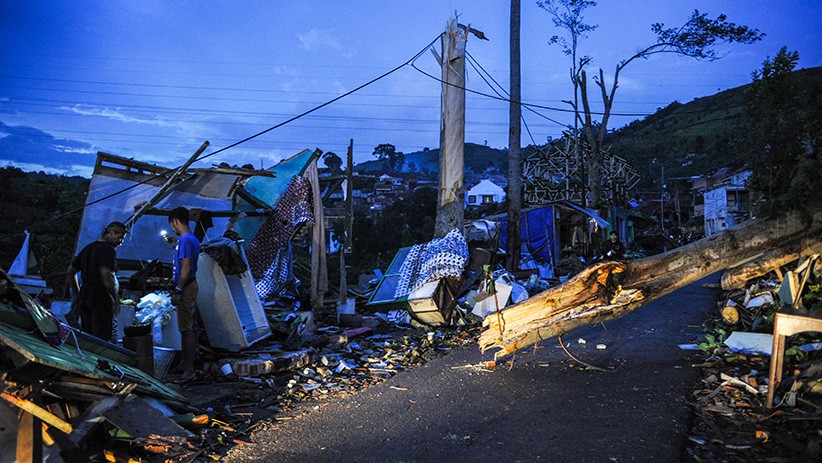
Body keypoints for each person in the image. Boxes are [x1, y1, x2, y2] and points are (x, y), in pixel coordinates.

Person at [67, 221, 127, 341]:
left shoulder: (89, 248)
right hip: (101, 299)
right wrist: (114, 298)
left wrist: (78, 294)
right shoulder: (108, 250)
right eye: (120, 238)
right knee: (101, 340)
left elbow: (70, 271)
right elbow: (106, 274)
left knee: (88, 338)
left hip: (85, 296)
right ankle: (100, 360)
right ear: (111, 232)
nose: (121, 242)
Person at [168, 206, 201, 382]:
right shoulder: (190, 239)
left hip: (186, 287)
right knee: (187, 327)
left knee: (186, 328)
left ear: (175, 222)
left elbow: (186, 266)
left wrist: (178, 289)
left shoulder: (186, 241)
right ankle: (185, 363)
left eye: (172, 225)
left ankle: (189, 371)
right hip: (189, 285)